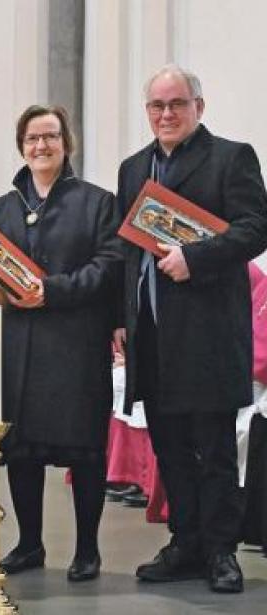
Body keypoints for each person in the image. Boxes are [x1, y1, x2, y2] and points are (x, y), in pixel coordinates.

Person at [114, 64, 267, 593]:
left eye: (177, 104)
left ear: (198, 107)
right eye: (156, 106)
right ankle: (186, 542)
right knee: (170, 448)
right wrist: (120, 319)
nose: (166, 114)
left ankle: (221, 551)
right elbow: (125, 251)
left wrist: (195, 258)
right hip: (153, 336)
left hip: (208, 335)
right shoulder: (134, 169)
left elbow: (256, 228)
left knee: (215, 449)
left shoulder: (231, 157)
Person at [0, 105, 122, 582]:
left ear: (66, 143)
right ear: (22, 145)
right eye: (32, 138)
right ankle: (29, 542)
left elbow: (109, 265)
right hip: (18, 345)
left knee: (85, 450)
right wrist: (0, 293)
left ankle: (88, 550)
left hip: (75, 345)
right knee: (22, 450)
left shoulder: (98, 201)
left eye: (50, 137)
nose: (41, 146)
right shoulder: (4, 206)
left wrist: (51, 291)